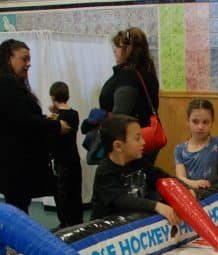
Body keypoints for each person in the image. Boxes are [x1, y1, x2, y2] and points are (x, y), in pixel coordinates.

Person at [0, 39, 70, 214]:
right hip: (16, 164)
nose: (28, 64)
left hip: (15, 163)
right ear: (9, 58)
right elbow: (22, 119)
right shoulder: (7, 83)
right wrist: (54, 125)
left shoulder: (10, 84)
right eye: (24, 59)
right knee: (18, 209)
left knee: (19, 207)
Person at [91, 114, 179, 228]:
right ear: (118, 146)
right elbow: (121, 200)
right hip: (106, 232)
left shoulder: (138, 161)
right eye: (137, 138)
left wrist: (184, 188)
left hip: (134, 225)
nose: (143, 142)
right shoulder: (105, 171)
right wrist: (156, 206)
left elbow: (160, 176)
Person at [99, 27, 161, 162]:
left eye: (118, 47)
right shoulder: (147, 72)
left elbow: (120, 116)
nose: (114, 50)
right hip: (145, 138)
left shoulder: (128, 75)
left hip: (129, 143)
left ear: (130, 49)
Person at [174, 99, 218, 194]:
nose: (200, 126)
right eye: (195, 121)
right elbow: (180, 178)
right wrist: (194, 183)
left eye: (205, 122)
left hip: (213, 195)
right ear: (188, 121)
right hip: (191, 195)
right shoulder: (179, 149)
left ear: (212, 122)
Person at [48, 81, 83, 228]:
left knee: (62, 193)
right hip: (74, 158)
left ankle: (65, 222)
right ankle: (77, 220)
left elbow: (52, 136)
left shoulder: (55, 118)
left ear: (53, 97)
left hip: (61, 160)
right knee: (76, 190)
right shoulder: (74, 114)